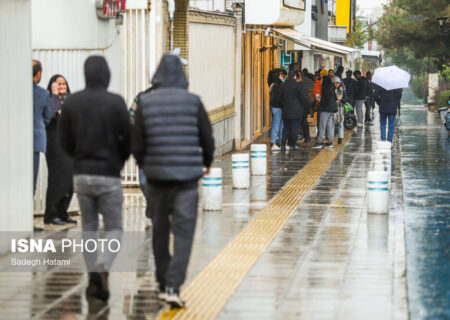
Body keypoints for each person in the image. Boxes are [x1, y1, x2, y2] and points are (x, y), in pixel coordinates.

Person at [132, 54, 215, 308]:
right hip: (187, 180)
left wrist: (146, 164)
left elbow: (137, 143)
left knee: (159, 231)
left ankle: (161, 280)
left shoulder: (145, 102)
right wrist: (206, 164)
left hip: (157, 180)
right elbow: (207, 138)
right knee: (184, 233)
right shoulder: (193, 102)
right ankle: (173, 285)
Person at [59, 56, 131, 301]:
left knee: (88, 227)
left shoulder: (72, 103)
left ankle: (93, 277)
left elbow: (64, 141)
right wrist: (118, 162)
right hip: (108, 175)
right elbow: (128, 139)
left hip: (82, 174)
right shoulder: (116, 103)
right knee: (114, 228)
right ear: (106, 75)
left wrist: (78, 159)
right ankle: (103, 265)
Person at [44, 75, 76, 225]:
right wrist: (55, 95)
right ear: (52, 85)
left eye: (64, 84)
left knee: (70, 181)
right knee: (57, 179)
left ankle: (63, 212)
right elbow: (50, 115)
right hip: (54, 145)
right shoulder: (49, 99)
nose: (62, 86)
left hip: (70, 145)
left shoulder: (71, 100)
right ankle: (51, 214)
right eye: (58, 84)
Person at [32, 60, 52, 232]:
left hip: (14, 143)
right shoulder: (43, 94)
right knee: (30, 182)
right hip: (34, 143)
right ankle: (26, 221)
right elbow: (47, 117)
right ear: (38, 74)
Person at [280, 72, 308, 151]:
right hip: (296, 111)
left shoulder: (283, 85)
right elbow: (304, 98)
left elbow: (280, 98)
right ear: (295, 77)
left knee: (286, 128)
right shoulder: (298, 86)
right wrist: (306, 106)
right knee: (294, 128)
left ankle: (283, 145)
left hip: (286, 110)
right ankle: (292, 145)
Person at [312, 76, 337, 149]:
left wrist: (319, 101)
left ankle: (319, 142)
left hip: (325, 110)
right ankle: (330, 142)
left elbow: (324, 101)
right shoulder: (331, 88)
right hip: (331, 110)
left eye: (322, 80)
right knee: (329, 126)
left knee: (322, 125)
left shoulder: (324, 88)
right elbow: (334, 98)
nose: (321, 81)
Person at [269, 70, 284, 151]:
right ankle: (274, 142)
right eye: (281, 76)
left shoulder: (273, 85)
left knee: (280, 125)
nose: (283, 78)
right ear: (278, 76)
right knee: (277, 125)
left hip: (275, 107)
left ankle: (280, 142)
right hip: (278, 107)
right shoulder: (278, 85)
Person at [298, 69, 315, 143]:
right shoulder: (310, 82)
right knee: (304, 121)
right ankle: (306, 137)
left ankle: (303, 136)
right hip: (307, 104)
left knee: (302, 121)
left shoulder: (301, 83)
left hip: (302, 105)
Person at [333, 77, 346, 144]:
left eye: (338, 83)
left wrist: (341, 99)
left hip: (340, 108)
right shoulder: (332, 90)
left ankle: (340, 138)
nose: (337, 84)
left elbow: (345, 99)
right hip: (333, 108)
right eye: (336, 83)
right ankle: (331, 137)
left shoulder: (342, 90)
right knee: (332, 123)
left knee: (341, 123)